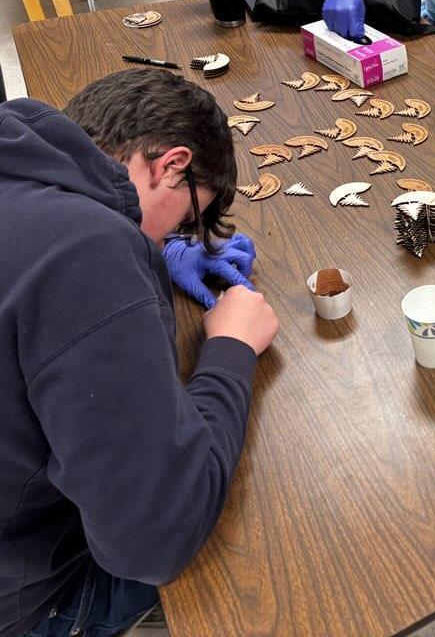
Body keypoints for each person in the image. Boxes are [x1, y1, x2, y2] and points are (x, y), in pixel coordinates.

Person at [0, 69, 279, 637]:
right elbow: (154, 537)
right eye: (186, 220)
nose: (173, 239)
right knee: (262, 551)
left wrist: (154, 251)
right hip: (22, 601)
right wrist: (229, 351)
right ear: (171, 165)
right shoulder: (85, 249)